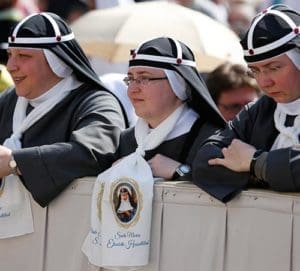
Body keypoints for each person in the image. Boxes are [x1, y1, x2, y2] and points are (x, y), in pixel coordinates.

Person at [0, 12, 126, 209]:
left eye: (24, 56)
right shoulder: (10, 100)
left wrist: (15, 162)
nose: (10, 66)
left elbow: (96, 152)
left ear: (56, 61)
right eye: (10, 55)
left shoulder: (95, 102)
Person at [192, 4, 300, 202]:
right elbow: (206, 159)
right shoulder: (261, 109)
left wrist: (255, 163)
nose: (265, 82)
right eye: (255, 71)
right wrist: (269, 174)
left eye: (274, 68)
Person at [116, 37, 226, 180]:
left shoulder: (212, 140)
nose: (132, 90)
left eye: (144, 79)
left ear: (178, 84)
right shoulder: (125, 140)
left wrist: (180, 171)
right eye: (130, 79)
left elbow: (231, 192)